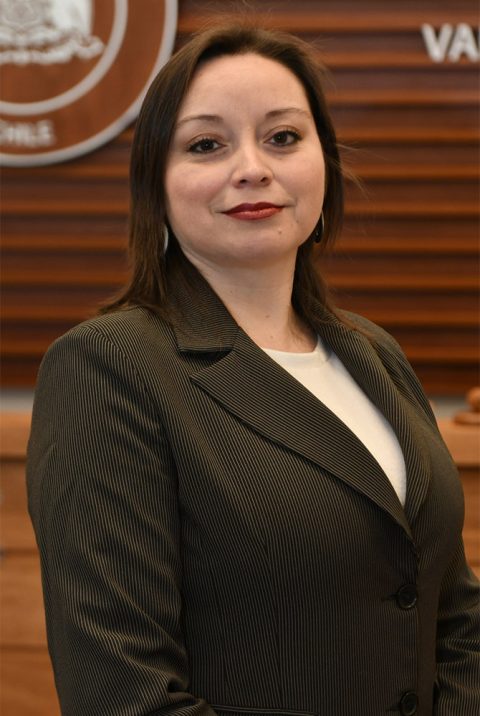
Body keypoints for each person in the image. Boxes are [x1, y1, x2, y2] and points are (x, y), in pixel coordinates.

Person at [26, 25, 479, 716]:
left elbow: (453, 611)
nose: (252, 168)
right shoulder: (107, 368)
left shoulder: (374, 352)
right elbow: (120, 692)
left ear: (324, 163)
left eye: (283, 137)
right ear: (156, 185)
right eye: (207, 144)